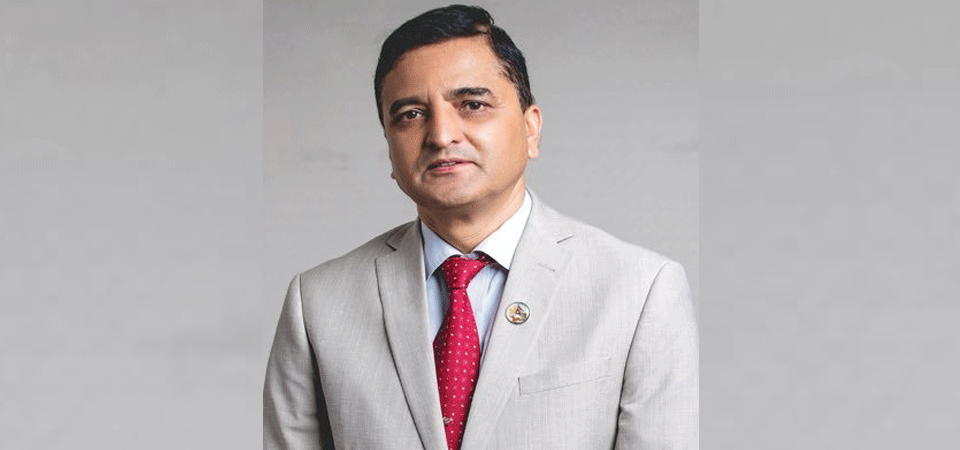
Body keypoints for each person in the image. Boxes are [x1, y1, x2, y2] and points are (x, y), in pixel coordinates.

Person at [264, 5, 698, 449]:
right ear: (389, 148)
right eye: (410, 114)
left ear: (531, 129)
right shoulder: (318, 304)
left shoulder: (639, 291)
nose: (441, 135)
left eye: (472, 105)